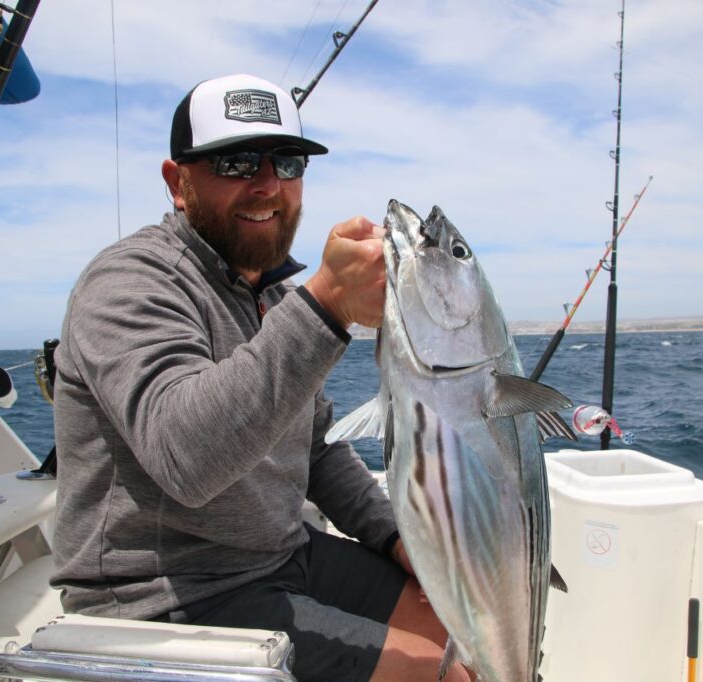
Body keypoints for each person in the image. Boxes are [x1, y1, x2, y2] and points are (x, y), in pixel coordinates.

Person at [50, 74, 470, 681]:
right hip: (168, 599)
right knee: (438, 675)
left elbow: (316, 447)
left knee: (459, 626)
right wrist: (326, 305)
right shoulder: (128, 282)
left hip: (281, 554)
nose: (268, 185)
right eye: (237, 162)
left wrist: (393, 538)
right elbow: (185, 457)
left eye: (288, 162)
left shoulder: (271, 292)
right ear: (178, 182)